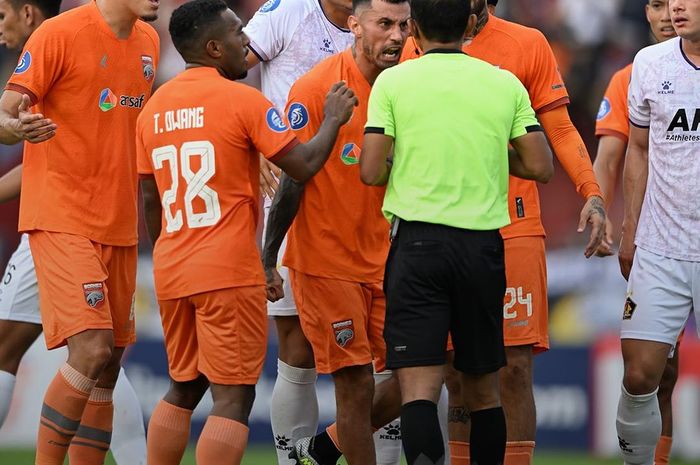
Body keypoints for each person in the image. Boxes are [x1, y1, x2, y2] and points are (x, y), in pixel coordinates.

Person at [137, 1, 356, 464]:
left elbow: (151, 199)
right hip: (227, 270)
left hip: (173, 266)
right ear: (214, 48)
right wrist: (333, 118)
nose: (246, 44)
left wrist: (167, 254)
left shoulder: (154, 109)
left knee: (184, 385)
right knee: (233, 397)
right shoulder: (242, 101)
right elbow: (303, 165)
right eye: (238, 35)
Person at [402, 1, 606, 463]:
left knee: (512, 367)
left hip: (511, 224)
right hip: (437, 224)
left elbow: (558, 126)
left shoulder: (526, 43)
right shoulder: (413, 42)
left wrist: (590, 192)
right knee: (454, 371)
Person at [360, 0, 553, 463]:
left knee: (420, 391)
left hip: (418, 246)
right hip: (482, 248)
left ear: (414, 30)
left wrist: (408, 156)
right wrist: (486, 153)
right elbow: (539, 165)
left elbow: (370, 170)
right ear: (469, 25)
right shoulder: (502, 82)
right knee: (484, 391)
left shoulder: (393, 81)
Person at [0, 0, 159, 462]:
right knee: (91, 350)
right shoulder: (58, 33)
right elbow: (6, 111)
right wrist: (16, 127)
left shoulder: (148, 41)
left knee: (107, 368)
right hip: (61, 218)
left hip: (118, 224)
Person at [262, 0, 409, 464]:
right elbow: (292, 182)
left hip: (392, 256)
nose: (396, 35)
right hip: (328, 262)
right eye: (384, 24)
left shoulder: (413, 82)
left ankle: (322, 451)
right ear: (354, 25)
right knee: (355, 383)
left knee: (421, 373)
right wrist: (268, 257)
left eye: (404, 25)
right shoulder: (317, 87)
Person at [243, 2, 356, 462]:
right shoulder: (287, 12)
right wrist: (258, 139)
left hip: (367, 200)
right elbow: (224, 64)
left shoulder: (388, 17)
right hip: (294, 201)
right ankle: (296, 460)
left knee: (390, 352)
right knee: (298, 345)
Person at [592, 2, 679, 464]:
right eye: (658, 4)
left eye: (678, 1)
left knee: (668, 370)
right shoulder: (632, 74)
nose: (669, 13)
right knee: (653, 371)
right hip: (656, 243)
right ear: (645, 13)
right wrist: (599, 208)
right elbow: (612, 155)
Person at [616, 0, 700, 464]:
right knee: (640, 376)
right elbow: (639, 148)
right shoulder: (649, 63)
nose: (677, 8)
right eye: (670, 1)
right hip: (662, 247)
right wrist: (630, 226)